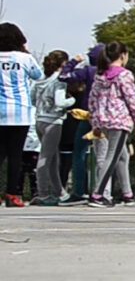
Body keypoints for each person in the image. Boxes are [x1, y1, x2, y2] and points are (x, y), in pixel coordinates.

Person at [88, 42, 135, 207]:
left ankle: (128, 194)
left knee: (122, 155)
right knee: (112, 156)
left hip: (103, 119)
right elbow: (132, 99)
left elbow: (92, 99)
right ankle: (97, 195)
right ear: (123, 55)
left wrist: (94, 121)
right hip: (119, 120)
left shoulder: (100, 75)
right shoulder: (124, 75)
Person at [0, 24, 44, 207]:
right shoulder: (25, 58)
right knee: (15, 155)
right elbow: (38, 75)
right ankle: (12, 193)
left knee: (0, 153)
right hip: (20, 112)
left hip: (0, 111)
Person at [59, 44, 104, 204]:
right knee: (106, 155)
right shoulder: (113, 73)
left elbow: (63, 76)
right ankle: (104, 192)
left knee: (79, 153)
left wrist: (73, 62)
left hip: (87, 115)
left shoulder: (88, 71)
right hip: (106, 116)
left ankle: (79, 191)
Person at [31, 50, 76, 205]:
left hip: (39, 120)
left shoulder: (40, 81)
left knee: (53, 158)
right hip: (53, 122)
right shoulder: (59, 81)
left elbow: (32, 99)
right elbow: (59, 102)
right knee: (45, 158)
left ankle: (60, 192)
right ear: (63, 64)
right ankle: (43, 193)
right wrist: (72, 101)